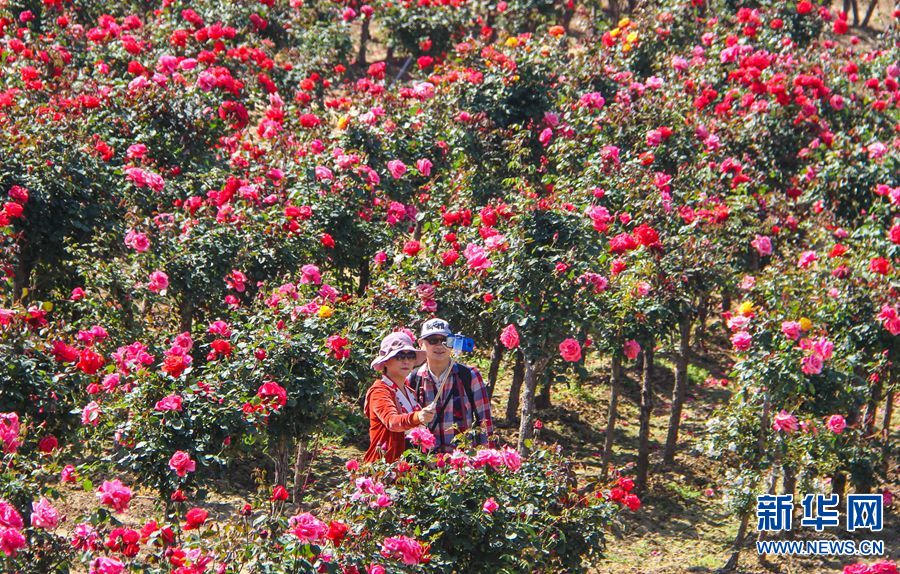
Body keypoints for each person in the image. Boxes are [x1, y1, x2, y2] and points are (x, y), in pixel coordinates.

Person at [409, 318, 495, 453]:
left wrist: (485, 458)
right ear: (421, 344)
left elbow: (484, 422)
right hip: (426, 463)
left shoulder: (469, 376)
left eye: (445, 340)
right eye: (432, 340)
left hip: (462, 463)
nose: (439, 345)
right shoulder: (413, 380)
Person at [363, 331, 435, 463]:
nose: (406, 361)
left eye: (411, 356)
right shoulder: (379, 391)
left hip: (408, 467)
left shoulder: (409, 391)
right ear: (385, 362)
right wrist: (417, 417)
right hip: (384, 467)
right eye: (399, 356)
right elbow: (392, 421)